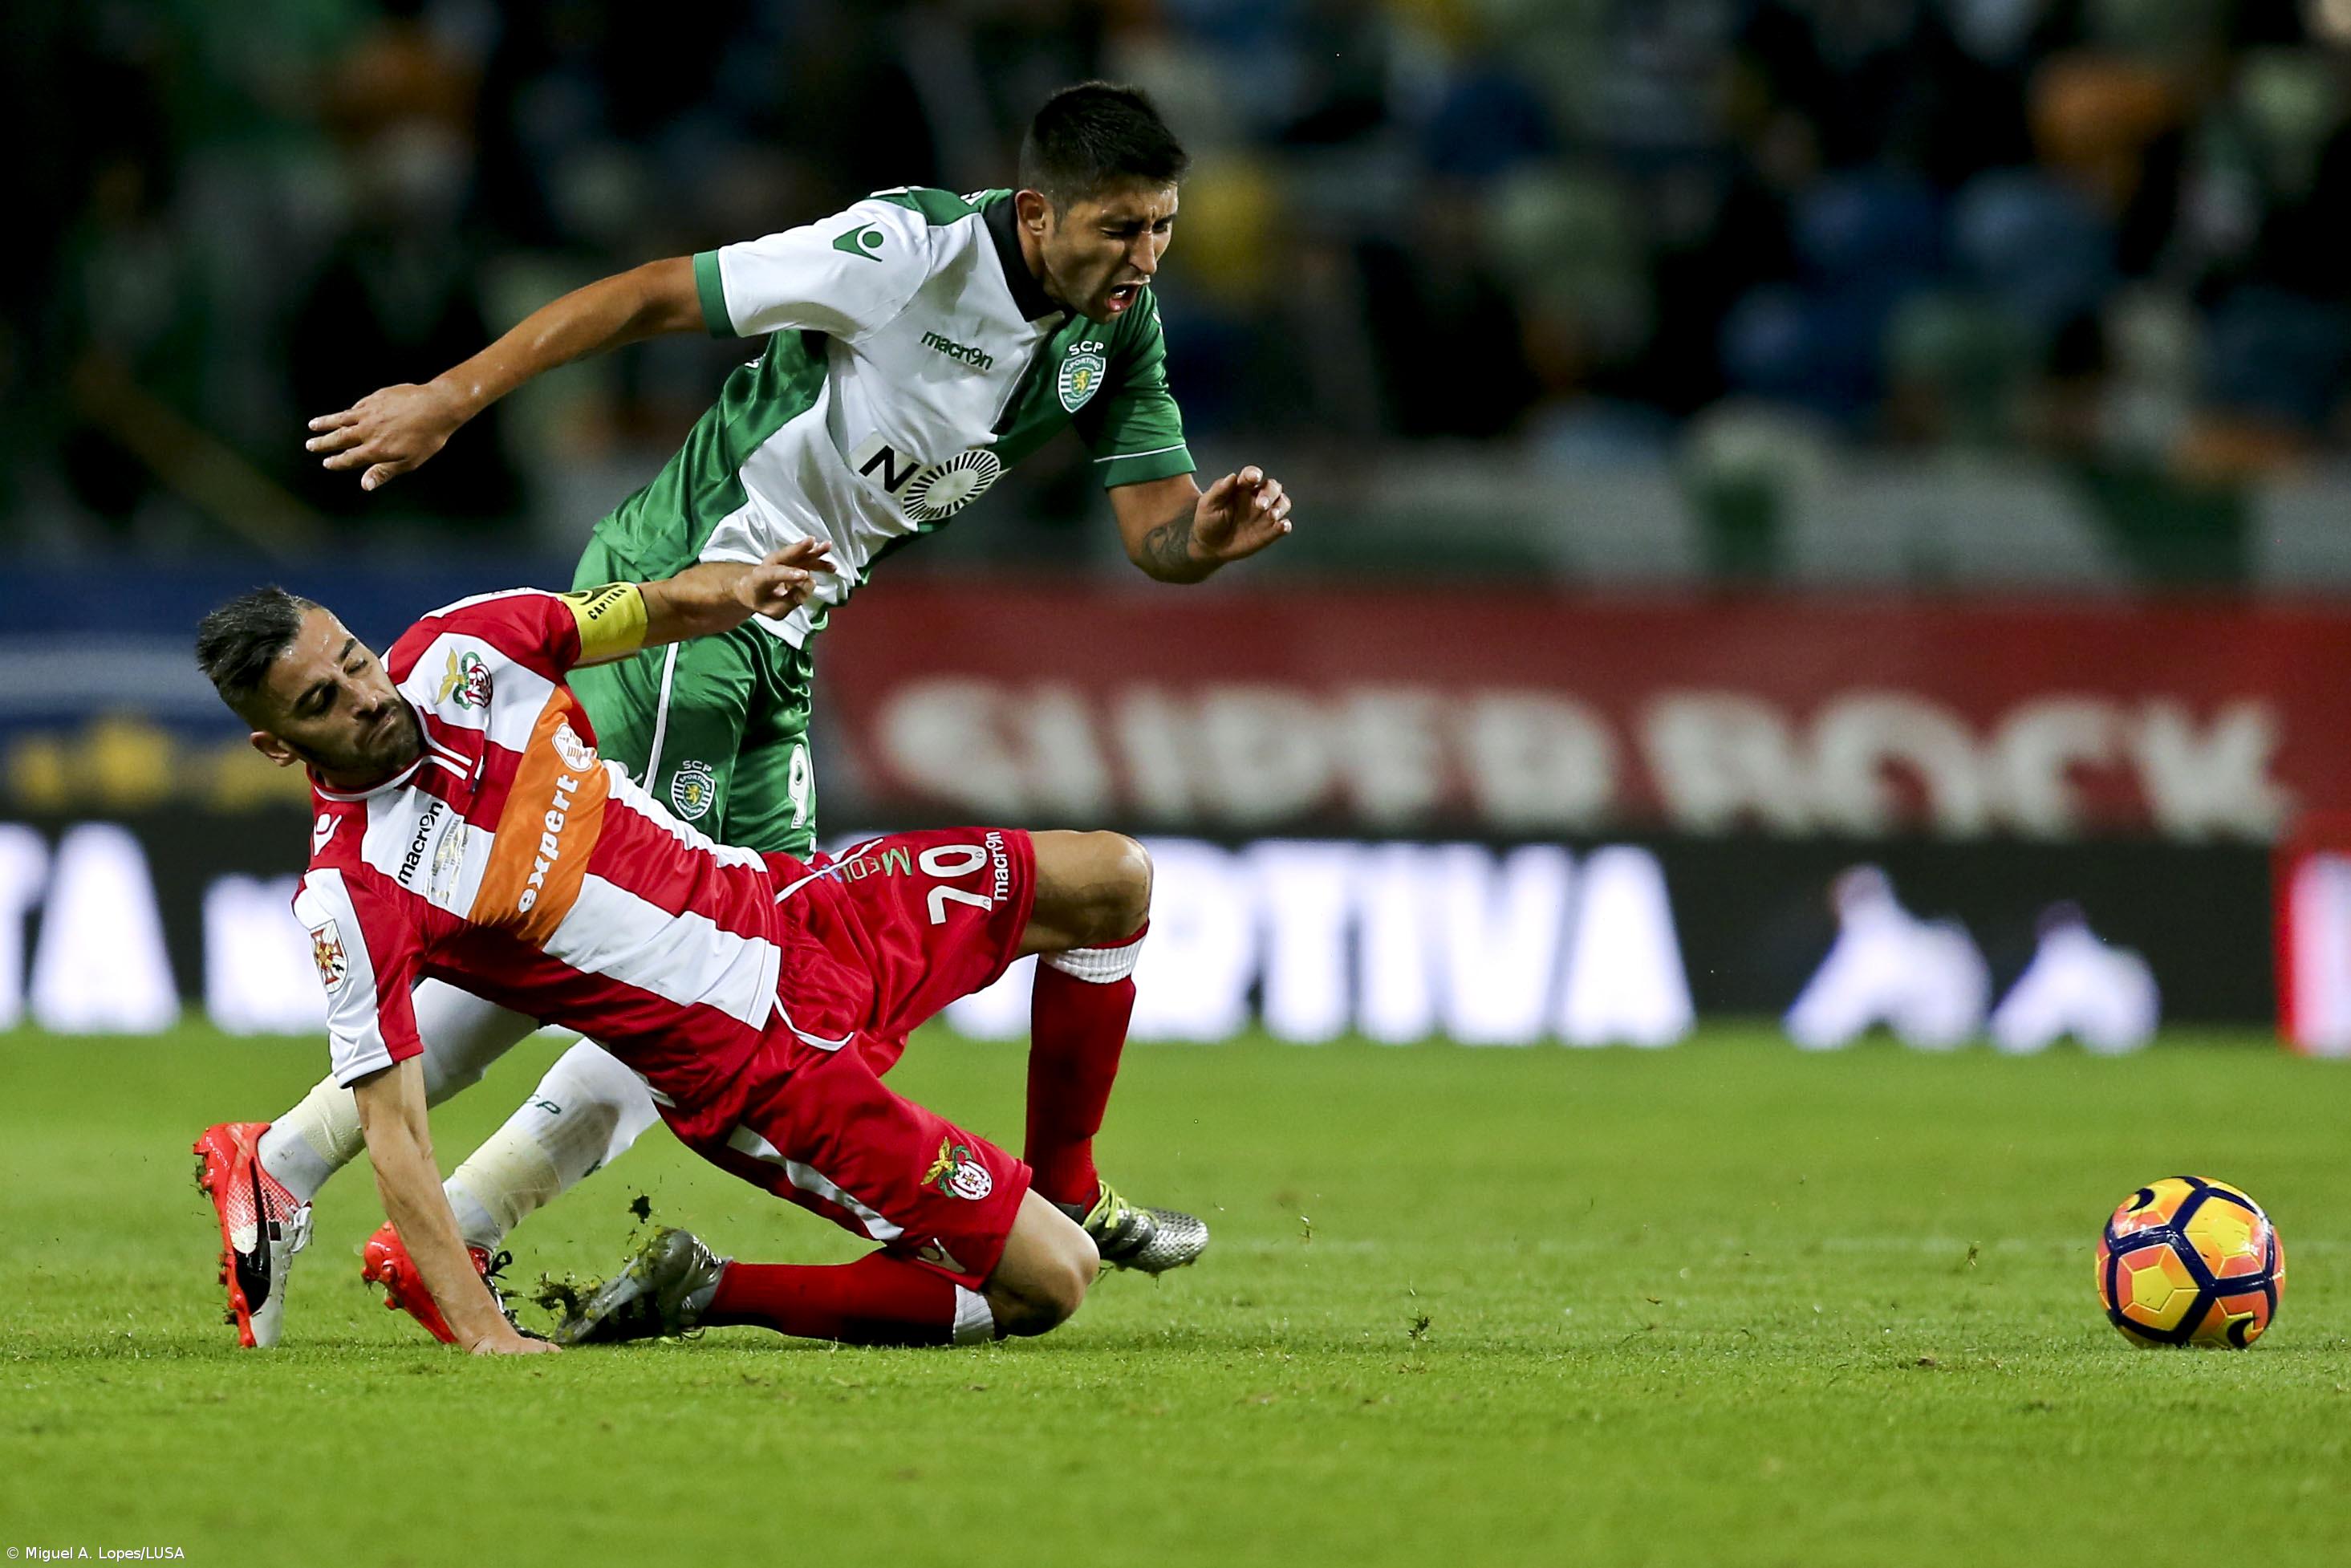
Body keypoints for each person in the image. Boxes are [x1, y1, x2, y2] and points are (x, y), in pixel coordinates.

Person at [200, 82, 1277, 1343]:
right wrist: (450, 396)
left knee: (730, 967)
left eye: (1162, 227)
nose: (1145, 257)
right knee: (648, 949)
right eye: (1119, 229)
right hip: (690, 599)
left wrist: (1200, 543)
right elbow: (654, 294)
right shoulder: (906, 252)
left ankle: (355, 1185)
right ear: (1037, 213)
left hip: (787, 636)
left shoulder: (1112, 330)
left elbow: (1155, 530)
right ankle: (341, 1182)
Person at [192, 563, 1197, 1352]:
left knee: (1110, 878)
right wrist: (485, 1332)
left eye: (355, 660)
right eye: (320, 701)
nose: (365, 695)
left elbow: (649, 609)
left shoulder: (468, 645)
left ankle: (1066, 1179)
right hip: (760, 1070)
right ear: (278, 747)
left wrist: (741, 589)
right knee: (1051, 1280)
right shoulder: (355, 888)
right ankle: (710, 1289)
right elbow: (396, 1132)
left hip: (802, 909)